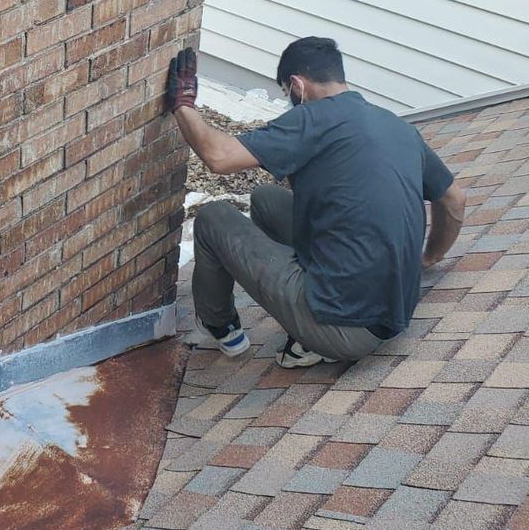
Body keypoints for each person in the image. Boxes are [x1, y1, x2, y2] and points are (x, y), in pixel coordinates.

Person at [165, 39, 466, 368]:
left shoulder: (312, 118)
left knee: (213, 217)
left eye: (286, 93)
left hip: (342, 326)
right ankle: (310, 312)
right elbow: (454, 200)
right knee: (266, 199)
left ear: (297, 85)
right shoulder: (395, 125)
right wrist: (428, 257)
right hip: (394, 311)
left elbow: (218, 157)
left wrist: (183, 105)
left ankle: (221, 328)